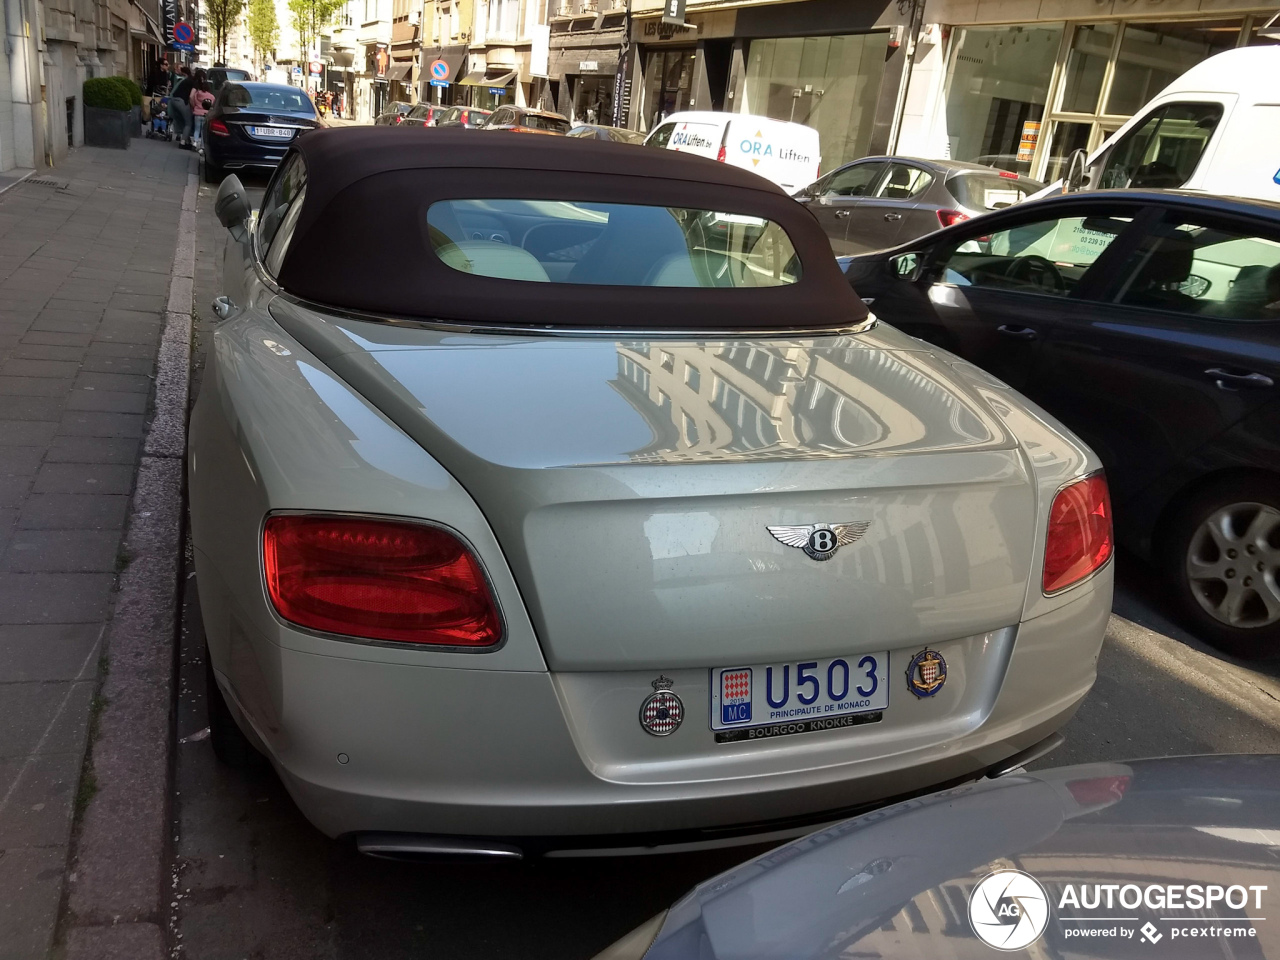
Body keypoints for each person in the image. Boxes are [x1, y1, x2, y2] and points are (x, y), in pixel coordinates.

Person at [169, 66, 194, 149]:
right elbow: (191, 96)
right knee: (188, 123)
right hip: (182, 101)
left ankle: (186, 139)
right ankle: (183, 143)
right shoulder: (193, 82)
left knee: (182, 120)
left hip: (174, 100)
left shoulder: (185, 80)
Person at [189, 69, 214, 148]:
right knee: (203, 131)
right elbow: (212, 105)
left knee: (196, 129)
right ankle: (202, 146)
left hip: (197, 113)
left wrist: (194, 107)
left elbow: (194, 100)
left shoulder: (197, 93)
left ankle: (195, 143)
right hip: (205, 114)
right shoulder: (211, 96)